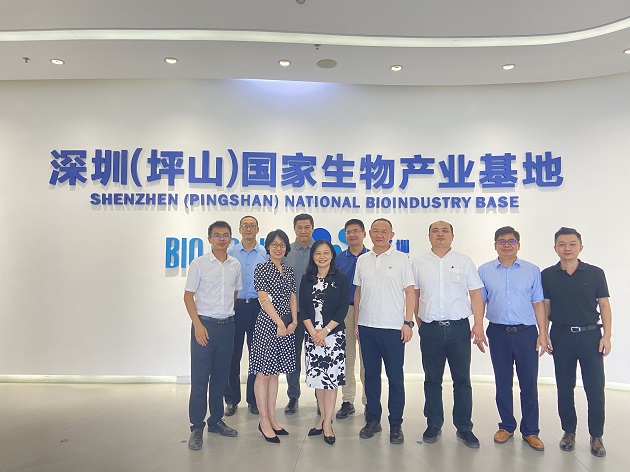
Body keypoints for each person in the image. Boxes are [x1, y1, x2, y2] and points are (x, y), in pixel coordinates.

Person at [412, 220, 485, 449]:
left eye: (445, 231)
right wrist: (420, 322)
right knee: (432, 379)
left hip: (458, 329)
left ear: (452, 236)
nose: (440, 234)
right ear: (429, 236)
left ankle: (464, 427)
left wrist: (478, 324)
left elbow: (476, 294)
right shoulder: (419, 263)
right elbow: (415, 294)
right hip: (431, 329)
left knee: (462, 379)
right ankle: (434, 423)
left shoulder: (464, 261)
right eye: (435, 231)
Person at [541, 227, 612, 457]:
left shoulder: (595, 273)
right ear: (555, 248)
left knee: (595, 388)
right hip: (561, 336)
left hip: (590, 336)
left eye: (572, 244)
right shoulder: (547, 275)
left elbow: (604, 305)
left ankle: (596, 436)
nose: (567, 248)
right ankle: (568, 432)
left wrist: (607, 336)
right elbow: (546, 306)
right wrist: (544, 333)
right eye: (562, 244)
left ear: (581, 247)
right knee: (564, 386)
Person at [477, 226, 548, 451]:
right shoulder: (484, 270)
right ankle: (506, 426)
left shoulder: (532, 270)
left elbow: (538, 303)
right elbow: (480, 302)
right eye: (501, 241)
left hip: (526, 333)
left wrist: (543, 333)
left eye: (511, 241)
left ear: (519, 245)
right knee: (502, 382)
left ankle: (531, 431)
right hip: (497, 332)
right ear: (495, 245)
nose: (506, 245)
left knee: (529, 383)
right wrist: (478, 327)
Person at [354, 218, 415, 445]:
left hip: (393, 328)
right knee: (370, 376)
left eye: (384, 231)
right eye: (375, 231)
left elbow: (410, 292)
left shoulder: (401, 259)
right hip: (367, 327)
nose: (379, 235)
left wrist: (408, 322)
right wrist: (357, 323)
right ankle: (373, 419)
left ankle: (396, 423)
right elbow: (358, 293)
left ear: (392, 234)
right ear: (369, 234)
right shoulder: (363, 260)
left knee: (395, 378)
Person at [184, 221, 243, 450]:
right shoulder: (199, 264)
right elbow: (188, 297)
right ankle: (196, 427)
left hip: (227, 327)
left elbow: (234, 292)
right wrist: (198, 325)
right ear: (209, 239)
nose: (221, 239)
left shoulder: (235, 265)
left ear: (230, 238)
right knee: (200, 380)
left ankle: (216, 421)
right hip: (204, 327)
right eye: (217, 235)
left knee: (220, 378)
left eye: (225, 235)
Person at [248, 229, 298, 443]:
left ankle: (272, 418)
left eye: (282, 244)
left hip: (286, 326)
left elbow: (293, 296)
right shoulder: (262, 268)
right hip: (269, 325)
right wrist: (279, 322)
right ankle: (263, 421)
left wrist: (294, 321)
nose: (278, 248)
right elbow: (263, 299)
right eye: (274, 244)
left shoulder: (288, 270)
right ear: (268, 247)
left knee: (275, 374)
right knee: (264, 374)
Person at [299, 240, 350, 445]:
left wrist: (325, 331)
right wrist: (313, 333)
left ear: (332, 256)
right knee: (319, 381)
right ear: (313, 256)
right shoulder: (306, 279)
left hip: (333, 337)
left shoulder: (341, 279)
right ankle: (321, 419)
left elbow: (342, 310)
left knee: (331, 382)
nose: (322, 257)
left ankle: (328, 423)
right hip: (313, 337)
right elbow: (303, 308)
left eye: (326, 253)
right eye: (318, 253)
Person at [224, 215, 268, 417]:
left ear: (258, 229)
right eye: (245, 226)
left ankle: (253, 399)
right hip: (235, 307)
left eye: (252, 226)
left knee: (256, 356)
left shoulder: (265, 253)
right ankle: (231, 400)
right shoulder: (230, 253)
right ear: (240, 230)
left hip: (258, 308)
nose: (249, 229)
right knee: (232, 355)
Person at [334, 218, 369, 419]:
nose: (352, 235)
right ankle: (347, 400)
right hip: (346, 311)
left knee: (368, 359)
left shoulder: (372, 257)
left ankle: (368, 401)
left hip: (368, 311)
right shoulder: (339, 259)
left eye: (356, 231)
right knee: (347, 358)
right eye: (348, 232)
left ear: (364, 234)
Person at [282, 213, 315, 414]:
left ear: (312, 228)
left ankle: (321, 397)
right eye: (299, 227)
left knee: (317, 356)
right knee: (292, 357)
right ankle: (293, 397)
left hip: (315, 314)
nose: (303, 231)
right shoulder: (286, 252)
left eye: (307, 227)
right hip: (292, 314)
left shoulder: (320, 250)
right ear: (294, 229)